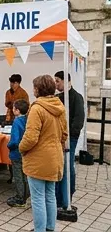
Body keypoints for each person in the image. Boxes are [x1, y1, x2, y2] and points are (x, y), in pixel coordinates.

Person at [20, 75, 67, 232]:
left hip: (38, 160)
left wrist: (21, 148)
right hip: (55, 157)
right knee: (50, 195)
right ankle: (50, 228)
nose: (33, 89)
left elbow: (30, 137)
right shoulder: (60, 107)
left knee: (38, 198)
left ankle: (39, 230)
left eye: (34, 87)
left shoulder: (37, 108)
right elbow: (64, 134)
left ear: (38, 89)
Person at [54, 70, 84, 215]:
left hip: (69, 139)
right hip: (57, 139)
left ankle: (67, 198)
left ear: (67, 81)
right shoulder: (57, 97)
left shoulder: (77, 98)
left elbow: (78, 122)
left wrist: (67, 137)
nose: (56, 84)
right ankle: (58, 199)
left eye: (58, 81)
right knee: (59, 169)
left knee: (67, 168)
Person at [8, 98, 30, 209]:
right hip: (25, 153)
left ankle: (20, 197)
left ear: (16, 110)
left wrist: (9, 146)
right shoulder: (28, 119)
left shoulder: (16, 121)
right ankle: (27, 195)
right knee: (25, 175)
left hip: (16, 153)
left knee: (18, 176)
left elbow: (15, 140)